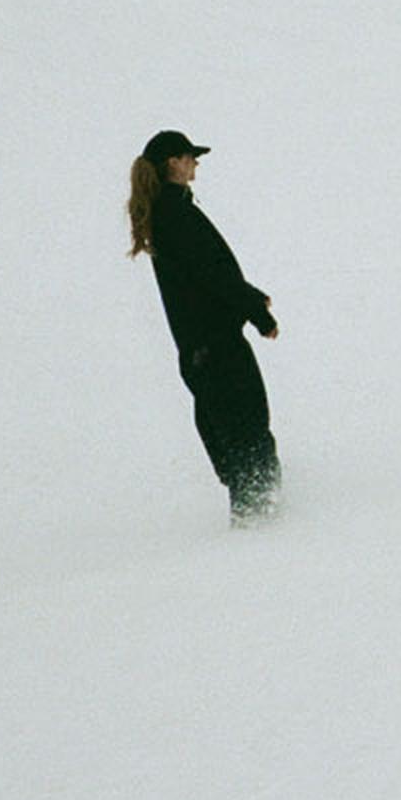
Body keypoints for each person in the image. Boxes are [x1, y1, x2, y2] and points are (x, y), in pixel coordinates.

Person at [127, 130, 280, 522]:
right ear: (173, 162)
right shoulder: (175, 214)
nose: (195, 163)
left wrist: (250, 296)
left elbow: (204, 275)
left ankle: (253, 525)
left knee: (233, 444)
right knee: (250, 442)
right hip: (217, 348)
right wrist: (256, 312)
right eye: (190, 156)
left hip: (200, 350)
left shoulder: (167, 212)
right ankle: (264, 526)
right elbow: (213, 274)